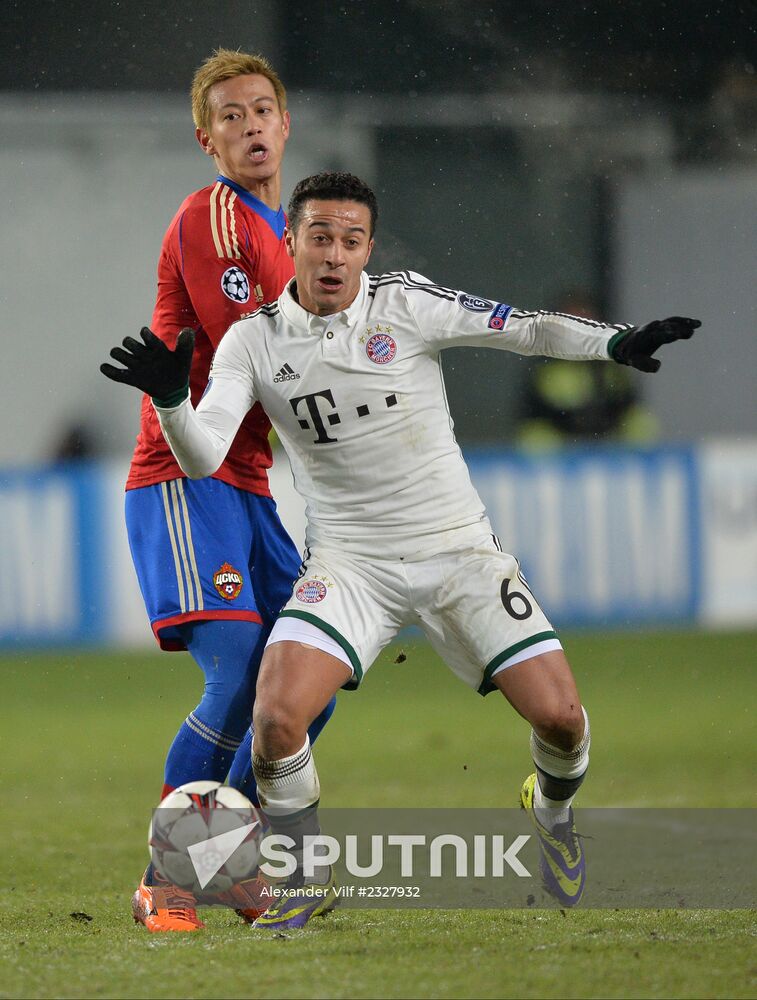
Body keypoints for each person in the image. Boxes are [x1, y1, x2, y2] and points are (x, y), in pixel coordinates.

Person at [103, 171, 700, 928]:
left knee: (562, 721)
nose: (333, 254)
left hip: (458, 555)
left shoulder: (406, 303)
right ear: (289, 242)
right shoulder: (253, 339)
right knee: (276, 718)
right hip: (351, 567)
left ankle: (550, 818)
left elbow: (522, 327)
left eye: (350, 240)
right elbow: (202, 454)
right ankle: (303, 874)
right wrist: (170, 400)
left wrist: (616, 342)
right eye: (318, 236)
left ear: (367, 249)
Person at [112, 51, 336, 933]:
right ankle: (165, 882)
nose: (249, 126)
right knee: (242, 671)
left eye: (262, 110)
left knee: (302, 687)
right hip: (183, 475)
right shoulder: (212, 217)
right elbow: (255, 341)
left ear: (285, 125)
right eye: (230, 116)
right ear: (206, 141)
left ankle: (223, 863)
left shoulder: (288, 227)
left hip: (251, 487)